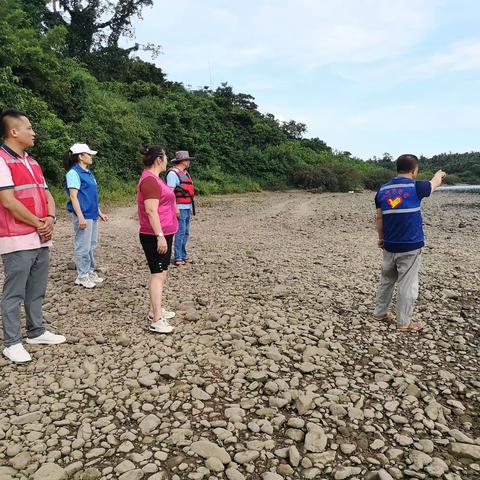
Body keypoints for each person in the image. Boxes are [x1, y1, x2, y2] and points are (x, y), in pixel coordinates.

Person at [0, 109, 66, 363]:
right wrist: (39, 223)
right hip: (17, 237)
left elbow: (47, 194)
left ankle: (36, 331)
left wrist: (50, 218)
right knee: (14, 291)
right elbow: (7, 201)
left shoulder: (32, 161)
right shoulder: (3, 160)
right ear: (14, 131)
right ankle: (12, 342)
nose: (33, 132)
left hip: (40, 235)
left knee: (36, 287)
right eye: (29, 128)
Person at [373, 154, 446, 332]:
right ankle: (404, 323)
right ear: (414, 171)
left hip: (389, 244)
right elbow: (434, 183)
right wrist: (439, 174)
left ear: (397, 169)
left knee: (387, 280)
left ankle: (380, 313)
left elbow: (380, 219)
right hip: (410, 246)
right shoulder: (417, 186)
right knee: (407, 283)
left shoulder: (382, 190)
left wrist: (381, 239)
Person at [137, 146, 178, 334]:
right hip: (154, 235)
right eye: (166, 157)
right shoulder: (149, 181)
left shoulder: (155, 179)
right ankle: (156, 319)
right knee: (157, 273)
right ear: (159, 160)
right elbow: (151, 210)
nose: (168, 160)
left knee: (162, 273)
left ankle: (156, 309)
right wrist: (160, 236)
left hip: (165, 231)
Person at [64, 144, 108, 289]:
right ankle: (82, 276)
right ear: (80, 156)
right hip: (84, 215)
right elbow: (74, 197)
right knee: (83, 246)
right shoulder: (73, 173)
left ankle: (89, 271)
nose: (91, 157)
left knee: (91, 245)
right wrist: (81, 217)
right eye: (88, 154)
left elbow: (91, 196)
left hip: (92, 214)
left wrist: (100, 212)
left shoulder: (88, 173)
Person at [166, 150, 195, 266]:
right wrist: (175, 208)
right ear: (182, 161)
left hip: (187, 207)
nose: (189, 162)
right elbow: (170, 193)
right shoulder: (173, 174)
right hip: (179, 207)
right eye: (187, 160)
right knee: (180, 232)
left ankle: (183, 255)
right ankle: (178, 257)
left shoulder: (185, 173)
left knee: (186, 232)